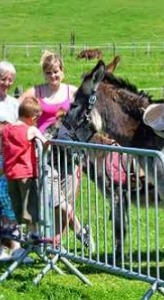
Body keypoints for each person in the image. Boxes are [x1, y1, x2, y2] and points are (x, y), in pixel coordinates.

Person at [19, 51, 94, 252]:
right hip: (44, 152)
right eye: (49, 72)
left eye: (56, 71)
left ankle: (57, 244)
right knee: (54, 199)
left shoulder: (72, 92)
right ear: (44, 74)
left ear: (63, 71)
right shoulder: (36, 92)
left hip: (68, 154)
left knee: (66, 200)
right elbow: (18, 112)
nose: (53, 76)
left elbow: (87, 116)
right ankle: (80, 233)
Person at [2, 97, 50, 243]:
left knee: (16, 202)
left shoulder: (6, 130)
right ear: (33, 117)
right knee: (30, 203)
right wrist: (49, 140)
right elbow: (44, 142)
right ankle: (33, 233)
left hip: (10, 173)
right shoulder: (31, 130)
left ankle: (16, 232)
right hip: (26, 173)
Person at [0, 60, 33, 263]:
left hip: (8, 161)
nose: (7, 83)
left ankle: (15, 247)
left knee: (8, 202)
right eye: (3, 79)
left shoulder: (13, 104)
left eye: (10, 80)